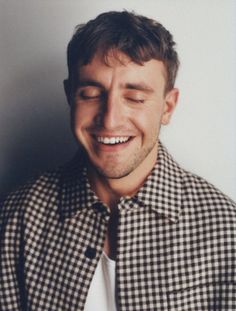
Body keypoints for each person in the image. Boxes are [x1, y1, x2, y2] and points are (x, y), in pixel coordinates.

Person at [0, 10, 235, 311]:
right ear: (70, 96)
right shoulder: (17, 218)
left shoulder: (227, 232)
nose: (110, 120)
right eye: (90, 93)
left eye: (135, 98)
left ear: (168, 106)